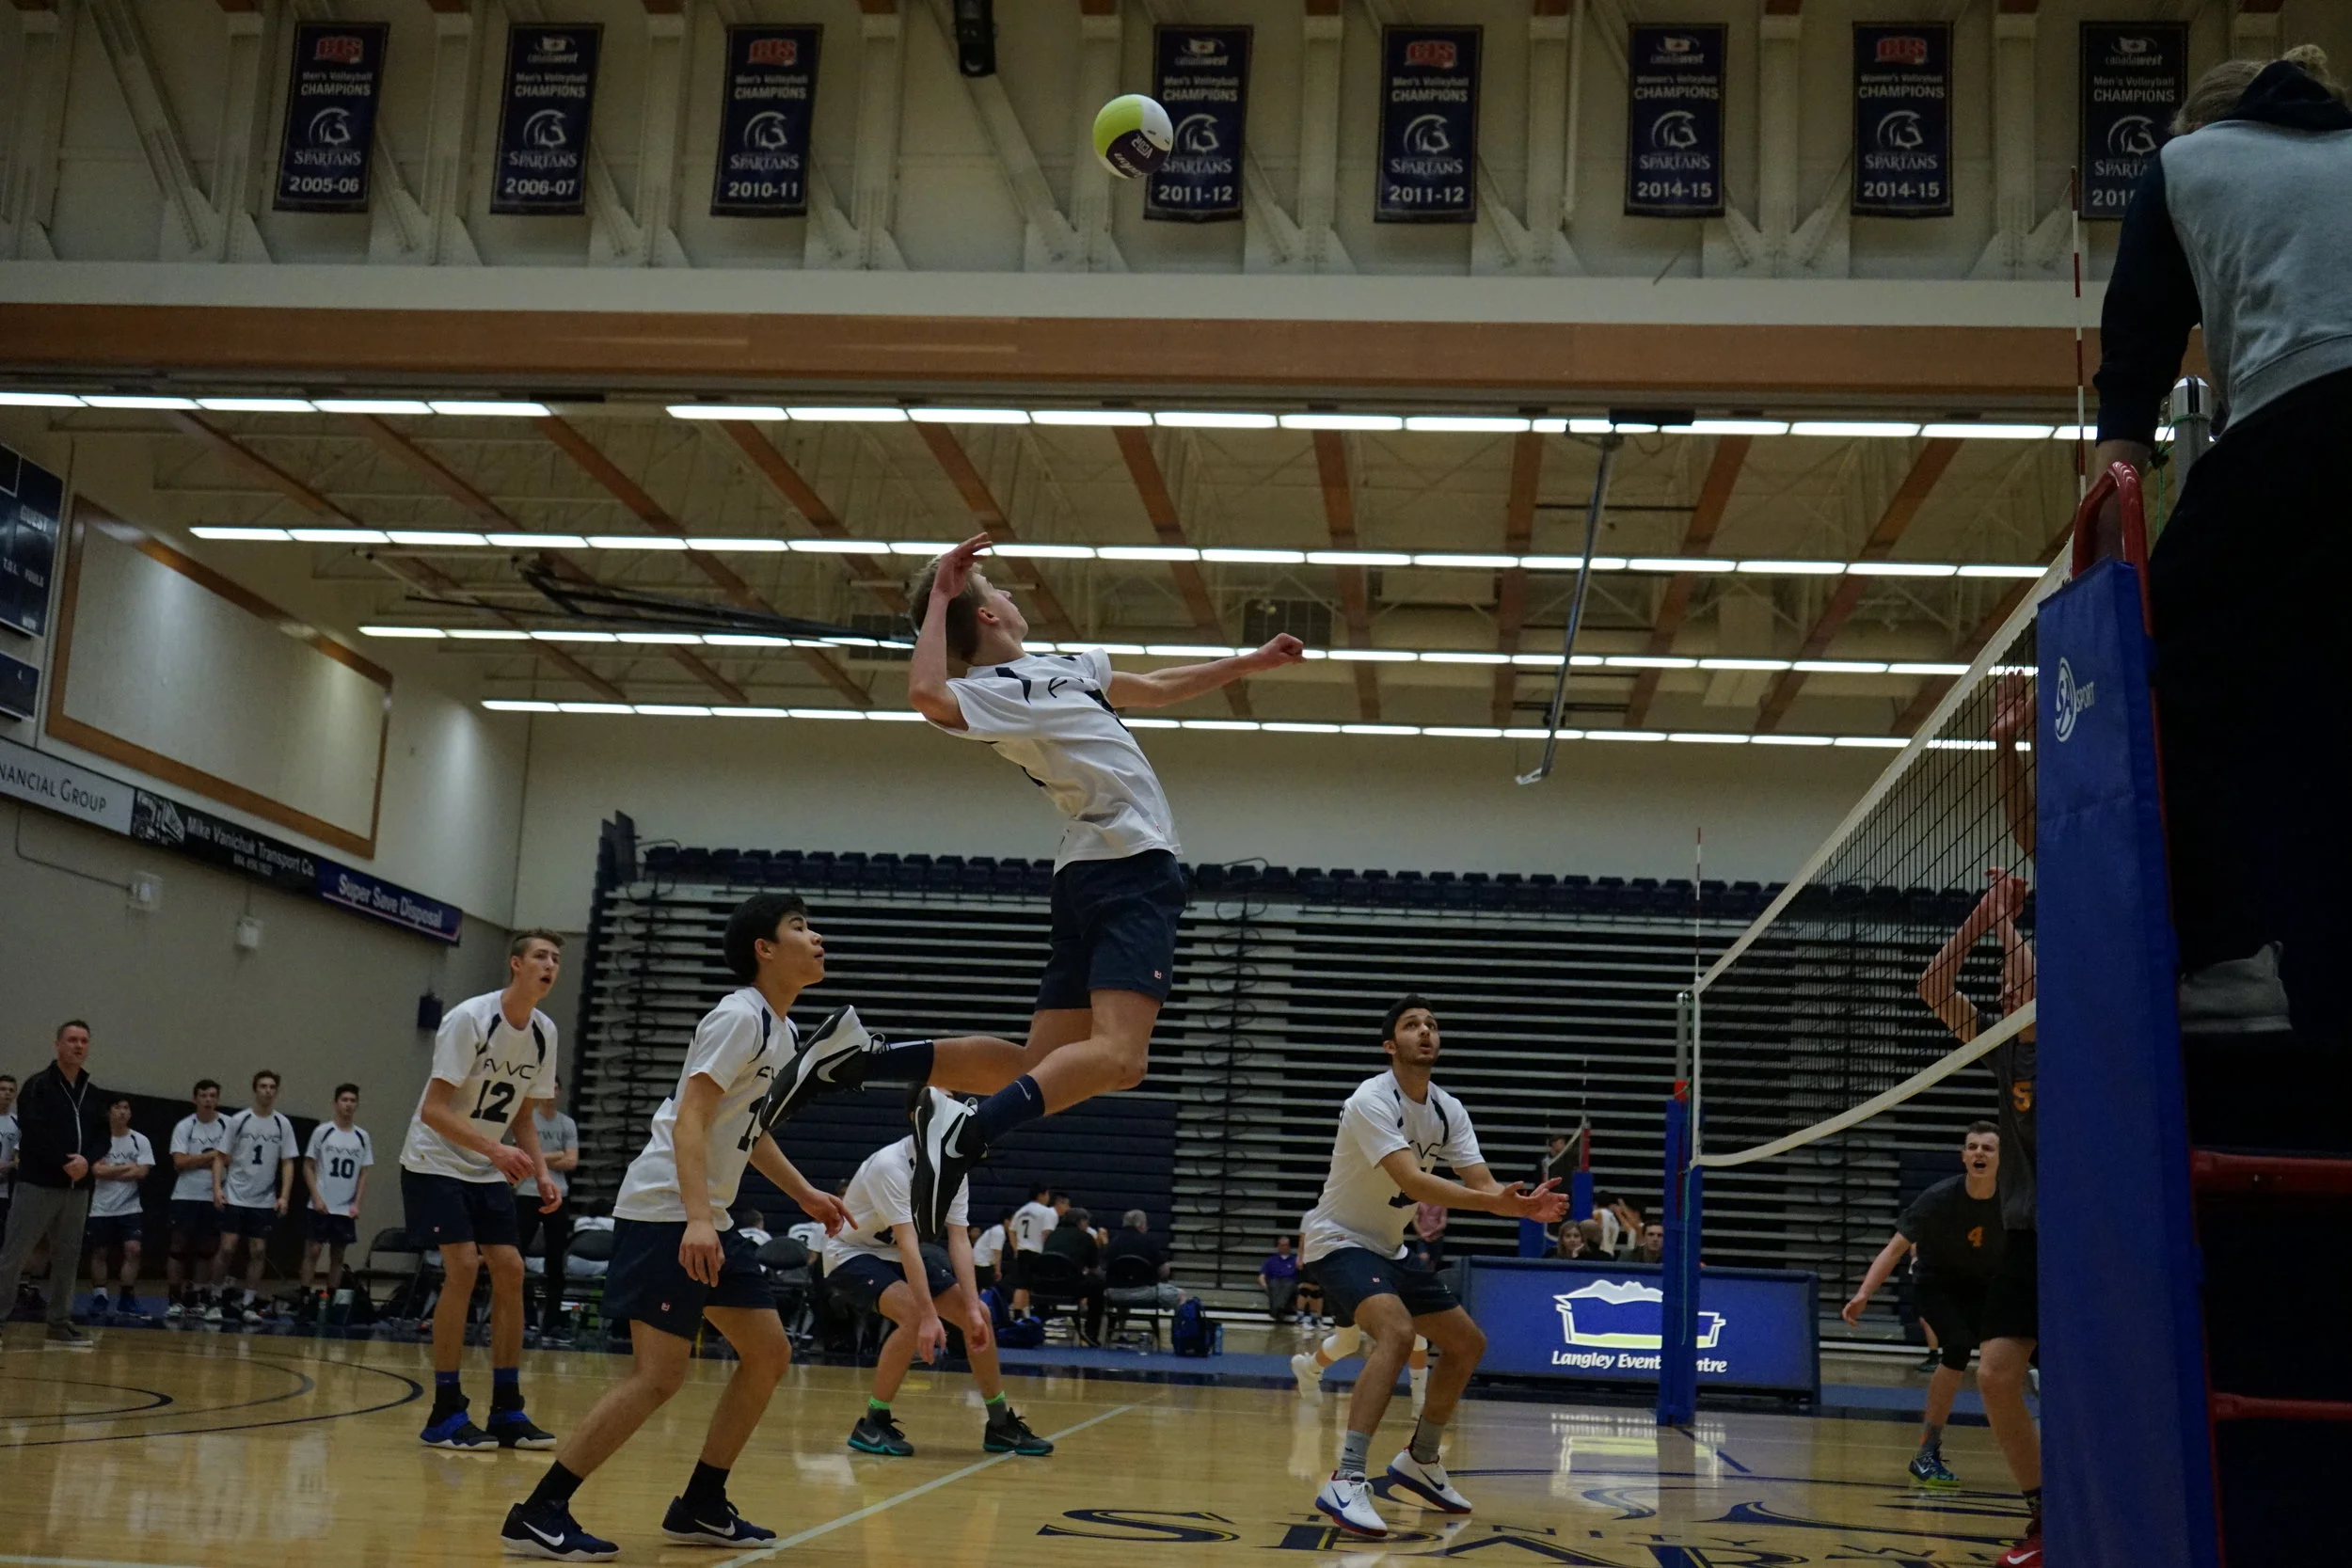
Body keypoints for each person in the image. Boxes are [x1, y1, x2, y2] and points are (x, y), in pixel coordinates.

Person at [899, 533, 1308, 1235]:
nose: (1009, 594)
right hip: (1129, 860)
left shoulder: (1068, 662)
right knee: (1121, 1056)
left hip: (1088, 867)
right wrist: (940, 594)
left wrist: (1252, 661)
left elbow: (1152, 688)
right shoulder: (988, 694)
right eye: (996, 589)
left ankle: (873, 1058)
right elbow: (927, 695)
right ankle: (963, 1133)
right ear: (988, 617)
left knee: (1047, 1063)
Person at [2092, 45, 2350, 1056]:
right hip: (2298, 433)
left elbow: (2137, 357)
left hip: (2302, 418)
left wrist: (2114, 529)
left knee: (2174, 664)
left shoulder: (2186, 167)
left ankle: (2225, 957)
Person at [501, 893, 853, 1560]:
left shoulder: (777, 1029)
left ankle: (701, 1502)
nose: (817, 936)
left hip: (704, 1217)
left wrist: (805, 1191)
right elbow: (691, 1117)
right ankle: (539, 1509)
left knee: (770, 1351)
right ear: (765, 948)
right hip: (669, 1211)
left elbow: (746, 1130)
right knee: (659, 1375)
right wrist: (697, 1218)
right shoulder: (738, 1016)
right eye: (800, 926)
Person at [1299, 995, 1566, 1538]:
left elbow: (1483, 1183)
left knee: (1467, 1343)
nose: (1425, 1032)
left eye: (1431, 1025)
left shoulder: (1447, 1109)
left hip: (1390, 1250)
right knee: (1396, 1334)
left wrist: (1518, 1205)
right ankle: (1347, 1478)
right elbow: (1416, 1184)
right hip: (1338, 1241)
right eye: (1411, 1025)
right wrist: (1495, 1203)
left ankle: (1419, 1460)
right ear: (1389, 1044)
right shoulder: (1370, 1099)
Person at [402, 931, 567, 1452]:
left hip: (485, 1166)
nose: (550, 965)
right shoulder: (470, 1019)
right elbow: (433, 1109)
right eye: (541, 956)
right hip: (434, 1159)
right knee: (464, 1267)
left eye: (557, 959)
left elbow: (522, 1115)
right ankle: (445, 1410)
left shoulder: (544, 1031)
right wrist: (496, 1153)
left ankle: (507, 1408)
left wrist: (542, 1172)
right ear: (516, 964)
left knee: (514, 1270)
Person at [1919, 877, 2040, 1568]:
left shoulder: (2074, 1044)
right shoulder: (2003, 1050)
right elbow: (1933, 987)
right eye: (1998, 987)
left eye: (2010, 984)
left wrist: (2008, 932)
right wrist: (1982, 918)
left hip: (2091, 1237)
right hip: (2026, 1235)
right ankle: (2045, 1515)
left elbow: (2032, 975)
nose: (2000, 992)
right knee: (1996, 1375)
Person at [831, 1091, 1054, 1462]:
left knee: (980, 1315)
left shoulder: (953, 1168)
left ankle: (999, 1423)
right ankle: (873, 1421)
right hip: (851, 1253)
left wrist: (969, 1306)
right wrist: (931, 1318)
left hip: (895, 1255)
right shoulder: (891, 1165)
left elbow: (959, 1241)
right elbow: (907, 1245)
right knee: (915, 1314)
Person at [1843, 1123, 2005, 1489]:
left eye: (1988, 1149)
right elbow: (1895, 1248)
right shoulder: (1939, 1198)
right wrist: (1864, 1294)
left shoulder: (2013, 1199)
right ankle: (1926, 1452)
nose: (1979, 1153)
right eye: (1972, 1147)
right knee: (1959, 1347)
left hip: (1987, 1287)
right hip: (1938, 1286)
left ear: (2002, 1159)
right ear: (1963, 1156)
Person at [0, 1022, 108, 1351]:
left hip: (78, 1189)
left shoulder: (93, 1092)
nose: (78, 1046)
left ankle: (59, 1323)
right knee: (14, 1255)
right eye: (71, 1040)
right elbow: (34, 1131)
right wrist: (66, 1161)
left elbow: (103, 1136)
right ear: (57, 1044)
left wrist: (86, 1162)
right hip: (39, 1184)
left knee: (67, 1257)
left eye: (84, 1041)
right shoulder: (38, 1086)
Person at [217, 1070, 297, 1324]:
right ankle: (215, 1297)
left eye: (272, 1086)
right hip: (235, 1193)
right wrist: (218, 1188)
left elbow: (288, 1163)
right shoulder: (239, 1120)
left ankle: (249, 1302)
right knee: (228, 1247)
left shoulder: (282, 1124)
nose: (267, 1090)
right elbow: (220, 1156)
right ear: (255, 1089)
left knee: (259, 1251)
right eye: (263, 1086)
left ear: (277, 1091)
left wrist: (284, 1196)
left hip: (262, 1199)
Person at [514, 1083, 580, 1345]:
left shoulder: (567, 1124)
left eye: (556, 1088)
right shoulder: (527, 1120)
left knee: (555, 1263)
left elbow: (572, 1161)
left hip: (558, 1195)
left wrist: (539, 1157)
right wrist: (556, 1155)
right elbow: (522, 1157)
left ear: (560, 1092)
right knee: (515, 1257)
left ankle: (551, 1323)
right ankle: (525, 1315)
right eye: (548, 1088)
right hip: (527, 1194)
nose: (552, 1092)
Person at [165, 1079, 232, 1322]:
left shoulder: (228, 1124)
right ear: (195, 1099)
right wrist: (215, 1155)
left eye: (213, 1095)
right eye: (203, 1095)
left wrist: (202, 1159)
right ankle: (174, 1298)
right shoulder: (185, 1126)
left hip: (214, 1195)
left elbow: (233, 1159)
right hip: (186, 1195)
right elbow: (180, 1162)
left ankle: (197, 1296)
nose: (208, 1100)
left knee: (207, 1249)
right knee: (178, 1247)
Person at [300, 1084, 373, 1309]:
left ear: (357, 1105)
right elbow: (308, 1166)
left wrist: (356, 1204)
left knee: (338, 1254)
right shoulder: (323, 1132)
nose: (348, 1104)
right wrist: (316, 1197)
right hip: (321, 1203)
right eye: (344, 1100)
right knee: (313, 1250)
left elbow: (364, 1173)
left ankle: (330, 1297)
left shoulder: (362, 1136)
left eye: (352, 1100)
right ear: (335, 1103)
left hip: (344, 1207)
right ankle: (304, 1295)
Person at [84, 1094, 153, 1319]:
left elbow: (142, 1171)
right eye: (117, 1107)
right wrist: (125, 1168)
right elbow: (96, 1171)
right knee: (100, 1251)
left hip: (130, 1208)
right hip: (101, 1207)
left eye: (126, 1108)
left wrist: (111, 1170)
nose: (122, 1112)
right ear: (109, 1112)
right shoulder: (98, 1140)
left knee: (134, 1249)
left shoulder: (140, 1140)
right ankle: (99, 1296)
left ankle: (126, 1297)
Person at [1041, 1203, 1107, 1344]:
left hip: (1045, 1285)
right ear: (1081, 1221)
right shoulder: (1086, 1237)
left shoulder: (1052, 1235)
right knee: (1098, 1285)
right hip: (1070, 1286)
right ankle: (1091, 1332)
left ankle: (1038, 1323)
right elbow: (1094, 1268)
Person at [1007, 1182, 1057, 1314]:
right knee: (1039, 1288)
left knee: (1022, 1286)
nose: (1048, 1197)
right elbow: (1047, 1233)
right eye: (1047, 1194)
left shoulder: (1021, 1211)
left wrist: (1016, 1248)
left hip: (1023, 1252)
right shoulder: (1047, 1212)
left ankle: (1018, 1317)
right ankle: (1038, 1317)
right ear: (1042, 1195)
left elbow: (1011, 1230)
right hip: (1039, 1253)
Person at [1260, 1233, 1301, 1322]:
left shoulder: (1295, 1260)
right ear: (1278, 1246)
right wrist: (1265, 1287)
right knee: (1274, 1284)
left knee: (1288, 1285)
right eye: (1282, 1245)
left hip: (1290, 1283)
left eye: (1286, 1245)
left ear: (1289, 1246)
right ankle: (1280, 1310)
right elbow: (1261, 1276)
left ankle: (1276, 1310)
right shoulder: (1271, 1260)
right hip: (1275, 1283)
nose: (1284, 1247)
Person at [969, 1211, 1009, 1290]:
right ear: (1006, 1221)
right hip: (982, 1263)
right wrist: (997, 1271)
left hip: (979, 1262)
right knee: (986, 1289)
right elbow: (997, 1253)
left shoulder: (996, 1230)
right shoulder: (999, 1232)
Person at [0, 1073, 18, 1246]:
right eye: (3, 1089)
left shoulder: (17, 1122)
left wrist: (10, 1165)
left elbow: (20, 1157)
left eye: (11, 1090)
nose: (7, 1093)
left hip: (5, 1190)